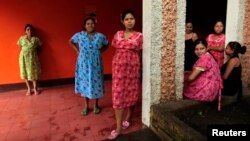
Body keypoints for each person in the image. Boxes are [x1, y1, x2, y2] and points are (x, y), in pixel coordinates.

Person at [108, 10, 143, 140]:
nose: (130, 21)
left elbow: (138, 50)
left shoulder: (140, 35)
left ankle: (129, 117)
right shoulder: (118, 34)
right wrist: (128, 46)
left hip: (133, 68)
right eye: (127, 19)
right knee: (118, 96)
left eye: (132, 18)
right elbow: (116, 45)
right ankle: (118, 128)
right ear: (122, 21)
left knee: (132, 93)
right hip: (118, 69)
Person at [69, 15, 109, 116]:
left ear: (95, 25)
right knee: (85, 82)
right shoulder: (80, 35)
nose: (90, 25)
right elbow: (70, 41)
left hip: (96, 62)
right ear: (84, 25)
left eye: (92, 23)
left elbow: (107, 44)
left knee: (96, 82)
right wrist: (78, 51)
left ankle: (96, 105)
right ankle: (86, 106)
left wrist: (100, 51)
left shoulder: (100, 36)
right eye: (88, 24)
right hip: (83, 63)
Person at [183, 39, 223, 111]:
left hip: (208, 90)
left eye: (202, 48)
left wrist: (183, 80)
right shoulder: (208, 55)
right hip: (213, 88)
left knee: (183, 84)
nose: (199, 51)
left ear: (207, 48)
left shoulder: (204, 59)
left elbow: (191, 78)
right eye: (196, 49)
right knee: (186, 74)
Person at [17, 24, 42, 96]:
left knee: (34, 73)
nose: (29, 31)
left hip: (33, 58)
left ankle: (35, 89)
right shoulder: (21, 39)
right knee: (25, 73)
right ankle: (28, 89)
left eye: (31, 29)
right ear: (25, 31)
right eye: (27, 29)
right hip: (24, 59)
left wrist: (33, 54)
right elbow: (20, 48)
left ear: (33, 31)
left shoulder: (36, 39)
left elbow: (39, 48)